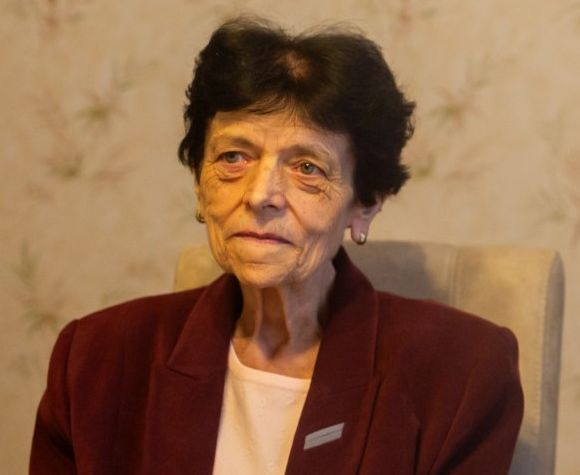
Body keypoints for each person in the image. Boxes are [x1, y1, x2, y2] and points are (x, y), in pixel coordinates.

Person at [30, 17, 523, 475]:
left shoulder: (461, 373)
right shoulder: (95, 361)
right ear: (200, 184)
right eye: (234, 157)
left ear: (365, 202)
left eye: (307, 167)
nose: (260, 195)